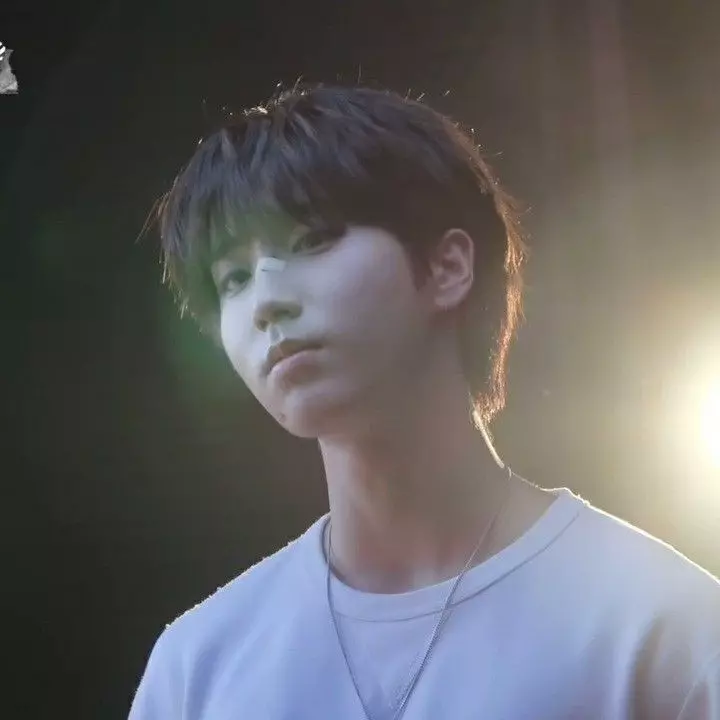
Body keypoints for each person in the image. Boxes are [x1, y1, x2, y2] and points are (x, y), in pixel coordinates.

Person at [129, 84, 720, 719]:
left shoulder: (661, 628)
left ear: (448, 267)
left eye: (312, 240)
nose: (265, 301)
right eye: (233, 278)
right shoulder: (197, 668)